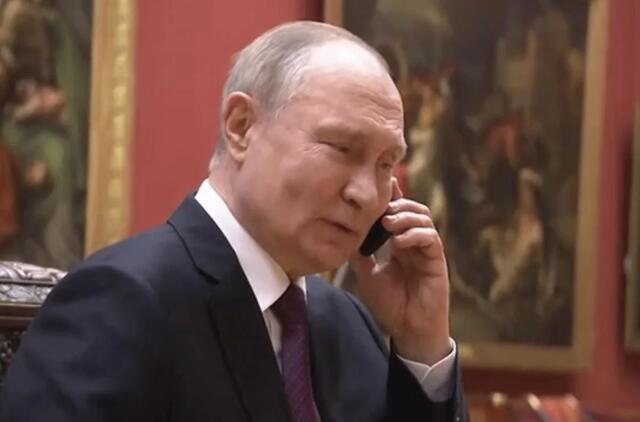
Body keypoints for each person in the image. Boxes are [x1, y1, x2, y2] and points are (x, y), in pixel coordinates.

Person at [0, 21, 468, 421]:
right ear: (241, 126)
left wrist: (422, 344)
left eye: (386, 165)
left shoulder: (345, 323)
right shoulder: (120, 300)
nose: (366, 193)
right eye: (342, 148)